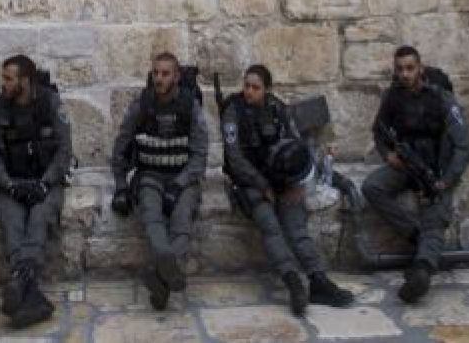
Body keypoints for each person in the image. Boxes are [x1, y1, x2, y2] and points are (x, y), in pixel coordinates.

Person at [219, 65, 357, 316]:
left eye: (255, 87)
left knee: (295, 226)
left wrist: (296, 184)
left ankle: (318, 280)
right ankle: (293, 282)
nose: (249, 91)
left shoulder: (277, 109)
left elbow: (297, 147)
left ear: (267, 89)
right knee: (270, 225)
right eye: (246, 86)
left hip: (281, 182)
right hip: (249, 184)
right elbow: (235, 158)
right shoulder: (233, 110)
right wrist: (262, 186)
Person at [361, 44, 469, 304]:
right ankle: (415, 235)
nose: (405, 74)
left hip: (436, 169)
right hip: (405, 165)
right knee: (372, 187)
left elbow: (465, 144)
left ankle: (422, 270)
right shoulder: (392, 97)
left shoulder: (441, 98)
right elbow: (379, 130)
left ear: (420, 68)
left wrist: (448, 179)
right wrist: (387, 154)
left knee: (435, 216)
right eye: (400, 69)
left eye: (410, 68)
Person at [109, 51, 208, 310]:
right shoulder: (142, 104)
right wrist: (120, 184)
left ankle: (158, 277)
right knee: (151, 217)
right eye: (156, 73)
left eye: (165, 73)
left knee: (182, 220)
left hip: (182, 178)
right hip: (149, 175)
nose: (159, 78)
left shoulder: (190, 106)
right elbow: (122, 143)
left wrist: (180, 183)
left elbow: (199, 155)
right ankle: (167, 265)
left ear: (176, 77)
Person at [0, 54, 69, 328]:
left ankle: (21, 285)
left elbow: (64, 150)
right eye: (4, 78)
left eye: (9, 78)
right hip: (13, 184)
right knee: (11, 222)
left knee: (39, 217)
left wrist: (46, 182)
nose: (4, 84)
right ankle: (32, 297)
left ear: (25, 80)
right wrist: (8, 184)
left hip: (46, 182)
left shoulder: (50, 103)